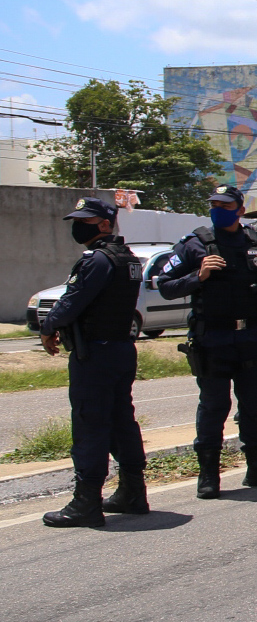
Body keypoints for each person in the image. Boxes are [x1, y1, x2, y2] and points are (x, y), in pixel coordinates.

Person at [158, 185, 257, 498]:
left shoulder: (256, 243)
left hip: (251, 338)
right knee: (213, 407)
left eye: (225, 204)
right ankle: (208, 475)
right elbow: (165, 286)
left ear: (240, 210)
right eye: (214, 204)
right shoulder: (195, 246)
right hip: (214, 340)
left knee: (252, 406)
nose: (218, 208)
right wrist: (198, 277)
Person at [37, 198, 151, 527]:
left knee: (90, 423)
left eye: (86, 220)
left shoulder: (98, 260)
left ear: (104, 224)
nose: (79, 225)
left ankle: (86, 502)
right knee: (120, 421)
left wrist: (48, 327)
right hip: (120, 349)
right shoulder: (127, 259)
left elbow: (72, 301)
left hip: (96, 354)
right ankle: (133, 492)